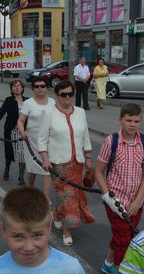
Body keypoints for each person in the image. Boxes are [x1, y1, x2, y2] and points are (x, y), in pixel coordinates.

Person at [94, 103, 144, 274]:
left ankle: (107, 264)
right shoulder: (112, 141)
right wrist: (107, 195)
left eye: (136, 121)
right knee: (125, 242)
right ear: (121, 119)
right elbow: (99, 171)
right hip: (115, 202)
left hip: (135, 202)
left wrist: (138, 200)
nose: (133, 125)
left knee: (123, 236)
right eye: (129, 120)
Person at [39, 80, 95, 246]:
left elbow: (85, 135)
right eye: (64, 94)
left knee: (72, 196)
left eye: (71, 94)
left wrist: (88, 157)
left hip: (77, 163)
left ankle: (56, 214)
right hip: (58, 164)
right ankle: (67, 230)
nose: (68, 97)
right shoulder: (48, 113)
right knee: (66, 198)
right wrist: (45, 158)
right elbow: (41, 138)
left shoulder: (80, 112)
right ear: (57, 95)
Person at [0, 80, 28, 184]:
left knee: (23, 154)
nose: (16, 87)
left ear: (22, 88)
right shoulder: (8, 100)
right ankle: (7, 168)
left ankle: (21, 177)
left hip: (23, 132)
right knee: (9, 154)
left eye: (18, 85)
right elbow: (0, 113)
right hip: (10, 131)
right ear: (11, 89)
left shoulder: (28, 101)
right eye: (14, 86)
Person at [17, 77, 54, 197]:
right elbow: (21, 121)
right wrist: (22, 132)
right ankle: (30, 187)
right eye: (37, 86)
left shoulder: (53, 102)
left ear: (46, 88)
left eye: (42, 86)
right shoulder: (28, 103)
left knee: (46, 168)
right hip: (32, 141)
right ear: (33, 89)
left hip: (49, 141)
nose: (40, 88)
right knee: (33, 169)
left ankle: (45, 199)